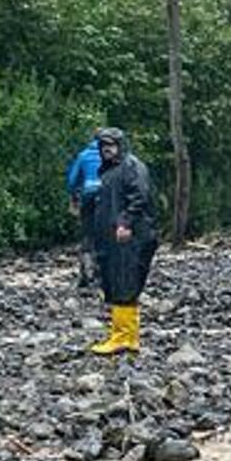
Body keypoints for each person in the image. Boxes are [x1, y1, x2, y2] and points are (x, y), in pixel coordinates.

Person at [86, 126, 158, 356]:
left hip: (132, 237)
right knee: (119, 281)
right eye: (103, 146)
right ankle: (128, 336)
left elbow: (140, 196)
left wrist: (125, 222)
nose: (107, 149)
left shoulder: (131, 166)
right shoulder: (108, 171)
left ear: (121, 146)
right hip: (114, 238)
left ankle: (122, 338)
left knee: (124, 282)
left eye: (111, 145)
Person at [65, 136, 103, 284]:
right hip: (107, 196)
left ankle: (85, 273)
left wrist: (74, 195)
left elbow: (73, 180)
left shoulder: (84, 155)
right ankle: (103, 270)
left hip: (88, 195)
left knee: (87, 232)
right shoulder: (113, 154)